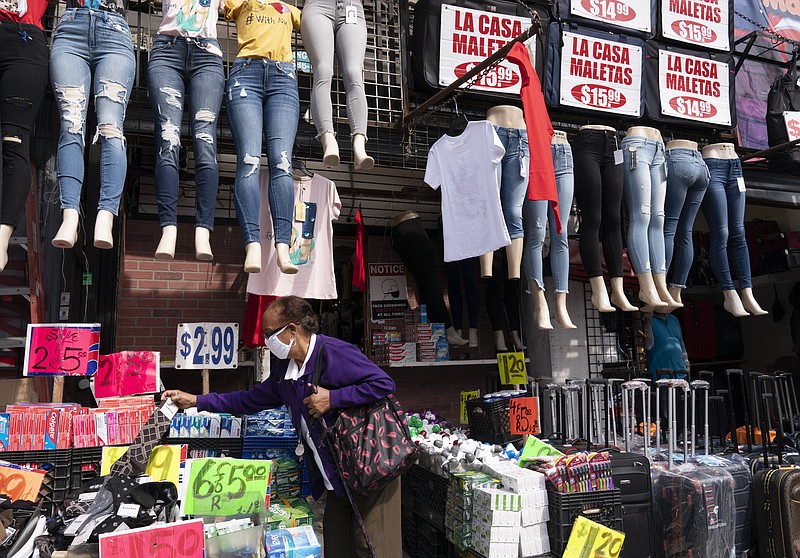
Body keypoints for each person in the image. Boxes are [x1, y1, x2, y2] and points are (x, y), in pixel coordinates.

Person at [162, 295, 401, 558]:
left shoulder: (334, 353)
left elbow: (383, 384)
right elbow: (247, 400)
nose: (266, 342)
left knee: (372, 546)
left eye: (269, 334)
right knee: (336, 545)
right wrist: (196, 400)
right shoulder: (284, 373)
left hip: (370, 466)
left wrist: (332, 398)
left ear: (292, 330)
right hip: (338, 475)